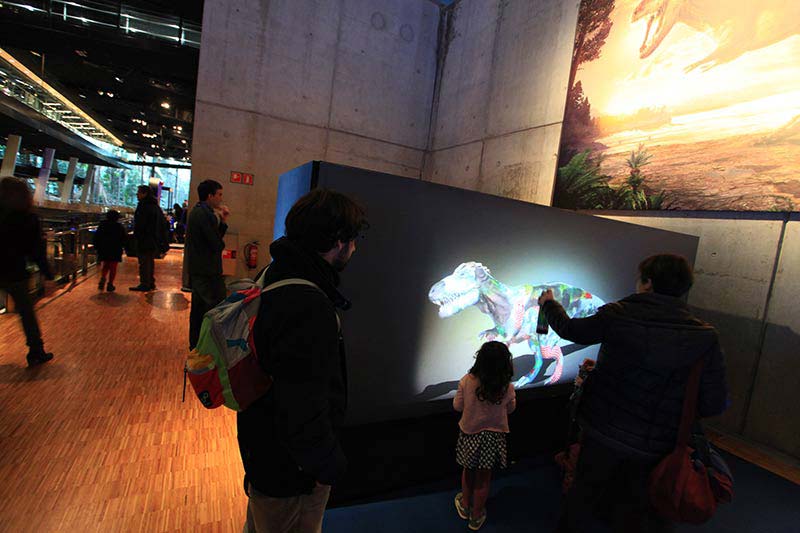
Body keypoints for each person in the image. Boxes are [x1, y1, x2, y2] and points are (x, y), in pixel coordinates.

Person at [539, 254, 728, 533]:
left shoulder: (619, 315)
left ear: (648, 283)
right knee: (638, 515)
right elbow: (714, 402)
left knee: (583, 506)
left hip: (603, 434)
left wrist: (549, 304)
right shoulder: (704, 337)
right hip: (657, 449)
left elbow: (571, 330)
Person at [237, 188, 367, 533]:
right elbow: (302, 406)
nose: (354, 249)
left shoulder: (273, 274)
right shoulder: (307, 305)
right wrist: (329, 465)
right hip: (290, 473)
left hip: (262, 450)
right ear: (338, 240)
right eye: (352, 240)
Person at [453, 341, 516, 531]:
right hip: (493, 438)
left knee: (468, 471)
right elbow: (511, 409)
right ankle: (477, 514)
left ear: (479, 360)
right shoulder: (507, 387)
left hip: (470, 435)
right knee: (484, 478)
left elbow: (457, 406)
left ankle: (465, 505)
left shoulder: (467, 380)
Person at [0, 177, 54, 366]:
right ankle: (36, 351)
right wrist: (48, 275)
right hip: (14, 270)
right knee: (26, 312)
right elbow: (36, 250)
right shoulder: (27, 217)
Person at [185, 179, 229, 350]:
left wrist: (222, 221)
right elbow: (216, 244)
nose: (220, 198)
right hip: (206, 271)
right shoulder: (204, 214)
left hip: (202, 270)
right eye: (219, 194)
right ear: (210, 196)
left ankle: (197, 344)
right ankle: (202, 346)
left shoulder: (201, 212)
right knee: (208, 310)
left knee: (199, 309)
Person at [129, 185, 162, 291]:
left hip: (144, 239)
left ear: (144, 194)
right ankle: (150, 282)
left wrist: (138, 235)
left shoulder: (144, 206)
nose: (137, 195)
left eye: (139, 192)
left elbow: (141, 224)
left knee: (144, 262)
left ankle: (145, 283)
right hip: (152, 239)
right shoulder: (154, 206)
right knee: (149, 261)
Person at [93, 210, 126, 292]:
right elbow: (124, 239)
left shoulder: (102, 225)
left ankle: (103, 278)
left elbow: (97, 237)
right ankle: (110, 284)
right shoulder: (119, 227)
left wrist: (97, 247)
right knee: (113, 267)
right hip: (115, 249)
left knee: (105, 265)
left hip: (104, 248)